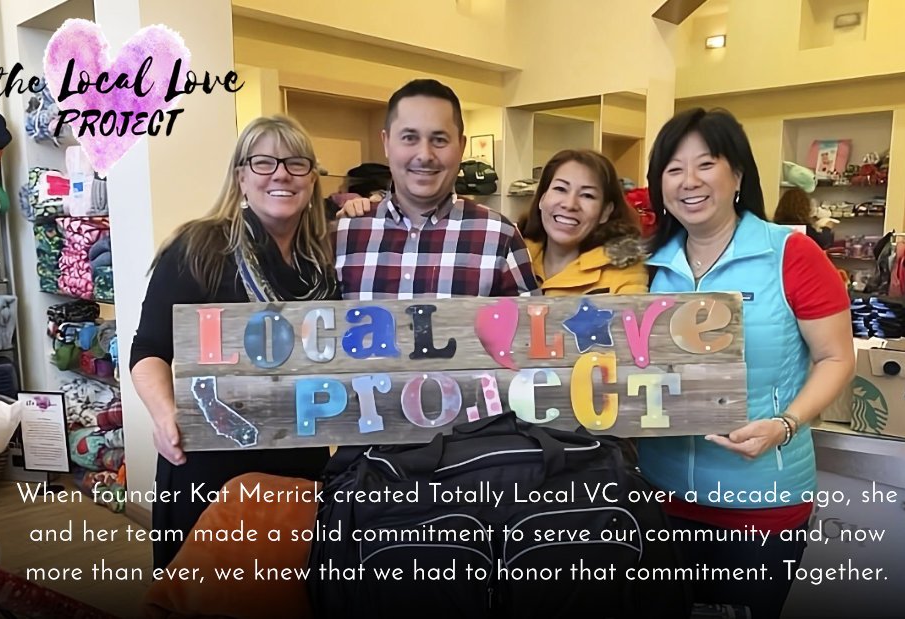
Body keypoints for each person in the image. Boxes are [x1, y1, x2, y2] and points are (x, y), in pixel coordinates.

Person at [638, 108, 854, 618]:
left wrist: (785, 424)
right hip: (658, 495)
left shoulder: (791, 254)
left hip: (761, 500)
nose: (689, 181)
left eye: (705, 164)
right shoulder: (647, 265)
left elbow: (836, 357)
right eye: (673, 169)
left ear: (737, 174)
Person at [129, 115, 338, 569]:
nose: (281, 174)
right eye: (263, 163)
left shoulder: (324, 263)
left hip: (298, 461)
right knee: (205, 590)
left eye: (296, 163)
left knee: (286, 587)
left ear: (312, 179)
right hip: (212, 462)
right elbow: (148, 350)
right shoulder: (198, 248)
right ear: (241, 176)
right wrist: (165, 416)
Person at [335, 78, 538, 299]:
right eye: (409, 138)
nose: (425, 155)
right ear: (386, 143)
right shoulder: (343, 234)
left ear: (461, 146)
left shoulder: (500, 235)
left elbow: (532, 320)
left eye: (439, 140)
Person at [518, 149, 648, 295]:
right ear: (542, 199)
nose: (570, 204)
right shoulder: (511, 256)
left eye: (587, 195)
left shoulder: (624, 274)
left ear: (605, 211)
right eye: (560, 189)